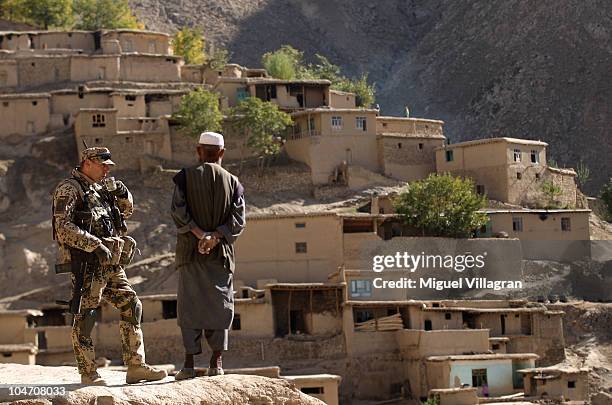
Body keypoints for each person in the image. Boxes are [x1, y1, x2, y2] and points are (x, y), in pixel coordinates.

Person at [52, 147, 167, 385]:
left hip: (111, 263)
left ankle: (136, 366)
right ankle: (89, 372)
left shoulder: (101, 189)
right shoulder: (69, 189)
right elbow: (62, 228)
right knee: (86, 315)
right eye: (103, 165)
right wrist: (94, 245)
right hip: (88, 263)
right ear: (87, 163)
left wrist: (124, 194)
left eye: (109, 166)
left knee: (131, 304)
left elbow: (125, 213)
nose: (107, 169)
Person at [171, 132, 245, 380]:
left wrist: (200, 234)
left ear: (198, 151)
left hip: (191, 253)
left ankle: (189, 364)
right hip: (220, 255)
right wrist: (215, 237)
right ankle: (216, 362)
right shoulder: (234, 183)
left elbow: (178, 213)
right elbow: (238, 221)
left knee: (190, 305)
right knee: (219, 306)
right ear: (222, 153)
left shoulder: (184, 178)